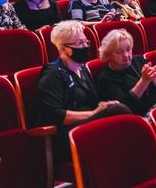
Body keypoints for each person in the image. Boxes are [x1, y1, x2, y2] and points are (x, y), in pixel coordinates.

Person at [37, 21, 131, 161]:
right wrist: (94, 113)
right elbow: (54, 115)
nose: (85, 46)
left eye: (86, 42)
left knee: (116, 110)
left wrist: (103, 107)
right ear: (64, 49)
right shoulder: (53, 73)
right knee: (118, 111)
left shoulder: (82, 69)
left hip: (89, 125)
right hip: (68, 135)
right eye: (80, 43)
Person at [97, 29, 156, 116]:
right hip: (143, 116)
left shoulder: (138, 60)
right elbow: (123, 108)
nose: (126, 55)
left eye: (128, 49)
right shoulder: (106, 78)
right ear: (108, 55)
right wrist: (144, 81)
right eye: (119, 52)